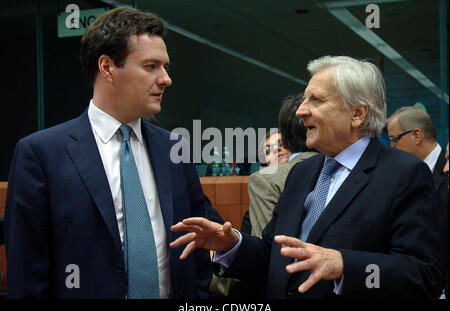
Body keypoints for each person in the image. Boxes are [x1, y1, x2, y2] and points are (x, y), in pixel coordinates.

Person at [170, 56, 446, 298]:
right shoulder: (302, 173)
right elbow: (273, 256)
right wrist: (232, 244)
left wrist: (343, 265)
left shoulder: (403, 174)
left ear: (357, 114)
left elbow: (425, 275)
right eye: (304, 99)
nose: (301, 110)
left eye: (316, 100)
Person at [4, 8, 221, 299]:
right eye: (151, 66)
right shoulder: (41, 155)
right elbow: (28, 272)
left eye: (165, 66)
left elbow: (196, 246)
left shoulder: (175, 150)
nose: (166, 79)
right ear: (107, 68)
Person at [386, 106, 449, 297]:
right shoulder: (401, 177)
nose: (391, 147)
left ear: (416, 135)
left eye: (395, 139)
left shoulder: (445, 171)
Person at [248, 94, 317, 239]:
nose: (275, 150)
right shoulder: (262, 186)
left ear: (286, 143)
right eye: (267, 150)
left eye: (279, 144)